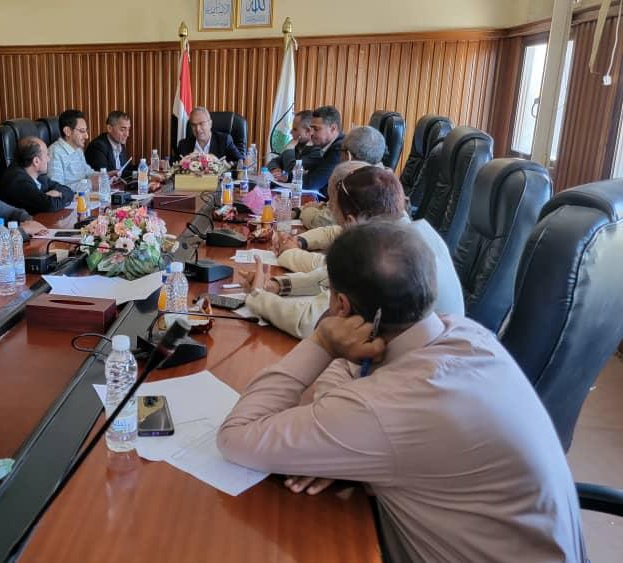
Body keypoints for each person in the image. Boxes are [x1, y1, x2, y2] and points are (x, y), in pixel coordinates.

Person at [218, 221, 586, 563]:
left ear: (341, 305)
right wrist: (341, 446)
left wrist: (322, 343)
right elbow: (352, 369)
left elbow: (236, 437)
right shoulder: (464, 332)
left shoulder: (382, 408)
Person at [241, 164, 464, 338]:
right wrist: (276, 285)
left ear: (350, 222)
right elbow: (328, 277)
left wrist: (258, 297)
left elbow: (311, 324)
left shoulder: (381, 255)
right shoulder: (419, 232)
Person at [294, 125, 387, 229]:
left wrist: (305, 211)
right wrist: (316, 207)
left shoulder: (357, 183)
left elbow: (322, 222)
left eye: (341, 151)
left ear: (348, 156)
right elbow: (331, 208)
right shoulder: (384, 176)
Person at [0, 136, 75, 214]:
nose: (49, 159)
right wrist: (55, 197)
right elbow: (50, 205)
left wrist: (59, 194)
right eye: (47, 155)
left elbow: (68, 191)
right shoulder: (18, 180)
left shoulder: (38, 174)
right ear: (36, 161)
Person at [296, 105, 345, 197]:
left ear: (333, 128)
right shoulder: (324, 145)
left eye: (316, 129)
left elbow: (312, 183)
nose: (311, 133)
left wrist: (288, 177)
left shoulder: (339, 149)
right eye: (311, 128)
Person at [176, 106, 243, 164]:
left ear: (210, 124)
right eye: (194, 125)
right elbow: (174, 165)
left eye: (201, 123)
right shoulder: (183, 145)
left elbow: (240, 162)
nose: (198, 129)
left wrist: (217, 162)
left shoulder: (224, 140)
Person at [48, 109, 96, 190]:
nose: (87, 136)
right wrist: (90, 184)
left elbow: (88, 172)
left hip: (85, 195)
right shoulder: (54, 152)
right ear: (67, 131)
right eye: (82, 131)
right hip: (72, 198)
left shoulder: (78, 149)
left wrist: (105, 176)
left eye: (86, 131)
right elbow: (57, 188)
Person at [85, 110, 134, 177]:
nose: (127, 134)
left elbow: (124, 168)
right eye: (122, 130)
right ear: (109, 128)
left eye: (128, 129)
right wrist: (137, 174)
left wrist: (143, 169)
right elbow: (106, 175)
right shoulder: (97, 146)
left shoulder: (120, 143)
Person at [266, 110, 313, 174]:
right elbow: (274, 161)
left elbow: (293, 171)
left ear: (308, 131)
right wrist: (275, 169)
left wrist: (290, 148)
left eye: (295, 129)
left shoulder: (316, 151)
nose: (291, 132)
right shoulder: (299, 146)